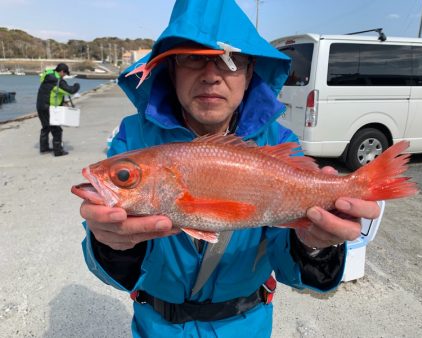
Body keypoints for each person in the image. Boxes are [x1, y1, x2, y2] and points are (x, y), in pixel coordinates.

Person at [79, 0, 381, 336]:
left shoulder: (280, 143)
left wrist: (316, 244)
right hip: (155, 325)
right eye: (193, 57)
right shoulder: (133, 139)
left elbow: (291, 264)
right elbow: (114, 265)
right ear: (171, 68)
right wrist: (109, 243)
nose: (211, 76)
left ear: (251, 71)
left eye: (231, 60)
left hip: (245, 325)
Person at [36, 63, 80, 156]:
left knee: (45, 127)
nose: (64, 76)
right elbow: (71, 90)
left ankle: (44, 149)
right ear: (61, 72)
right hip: (49, 108)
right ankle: (58, 151)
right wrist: (77, 85)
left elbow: (55, 92)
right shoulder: (58, 81)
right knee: (56, 130)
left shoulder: (48, 75)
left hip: (40, 105)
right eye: (65, 74)